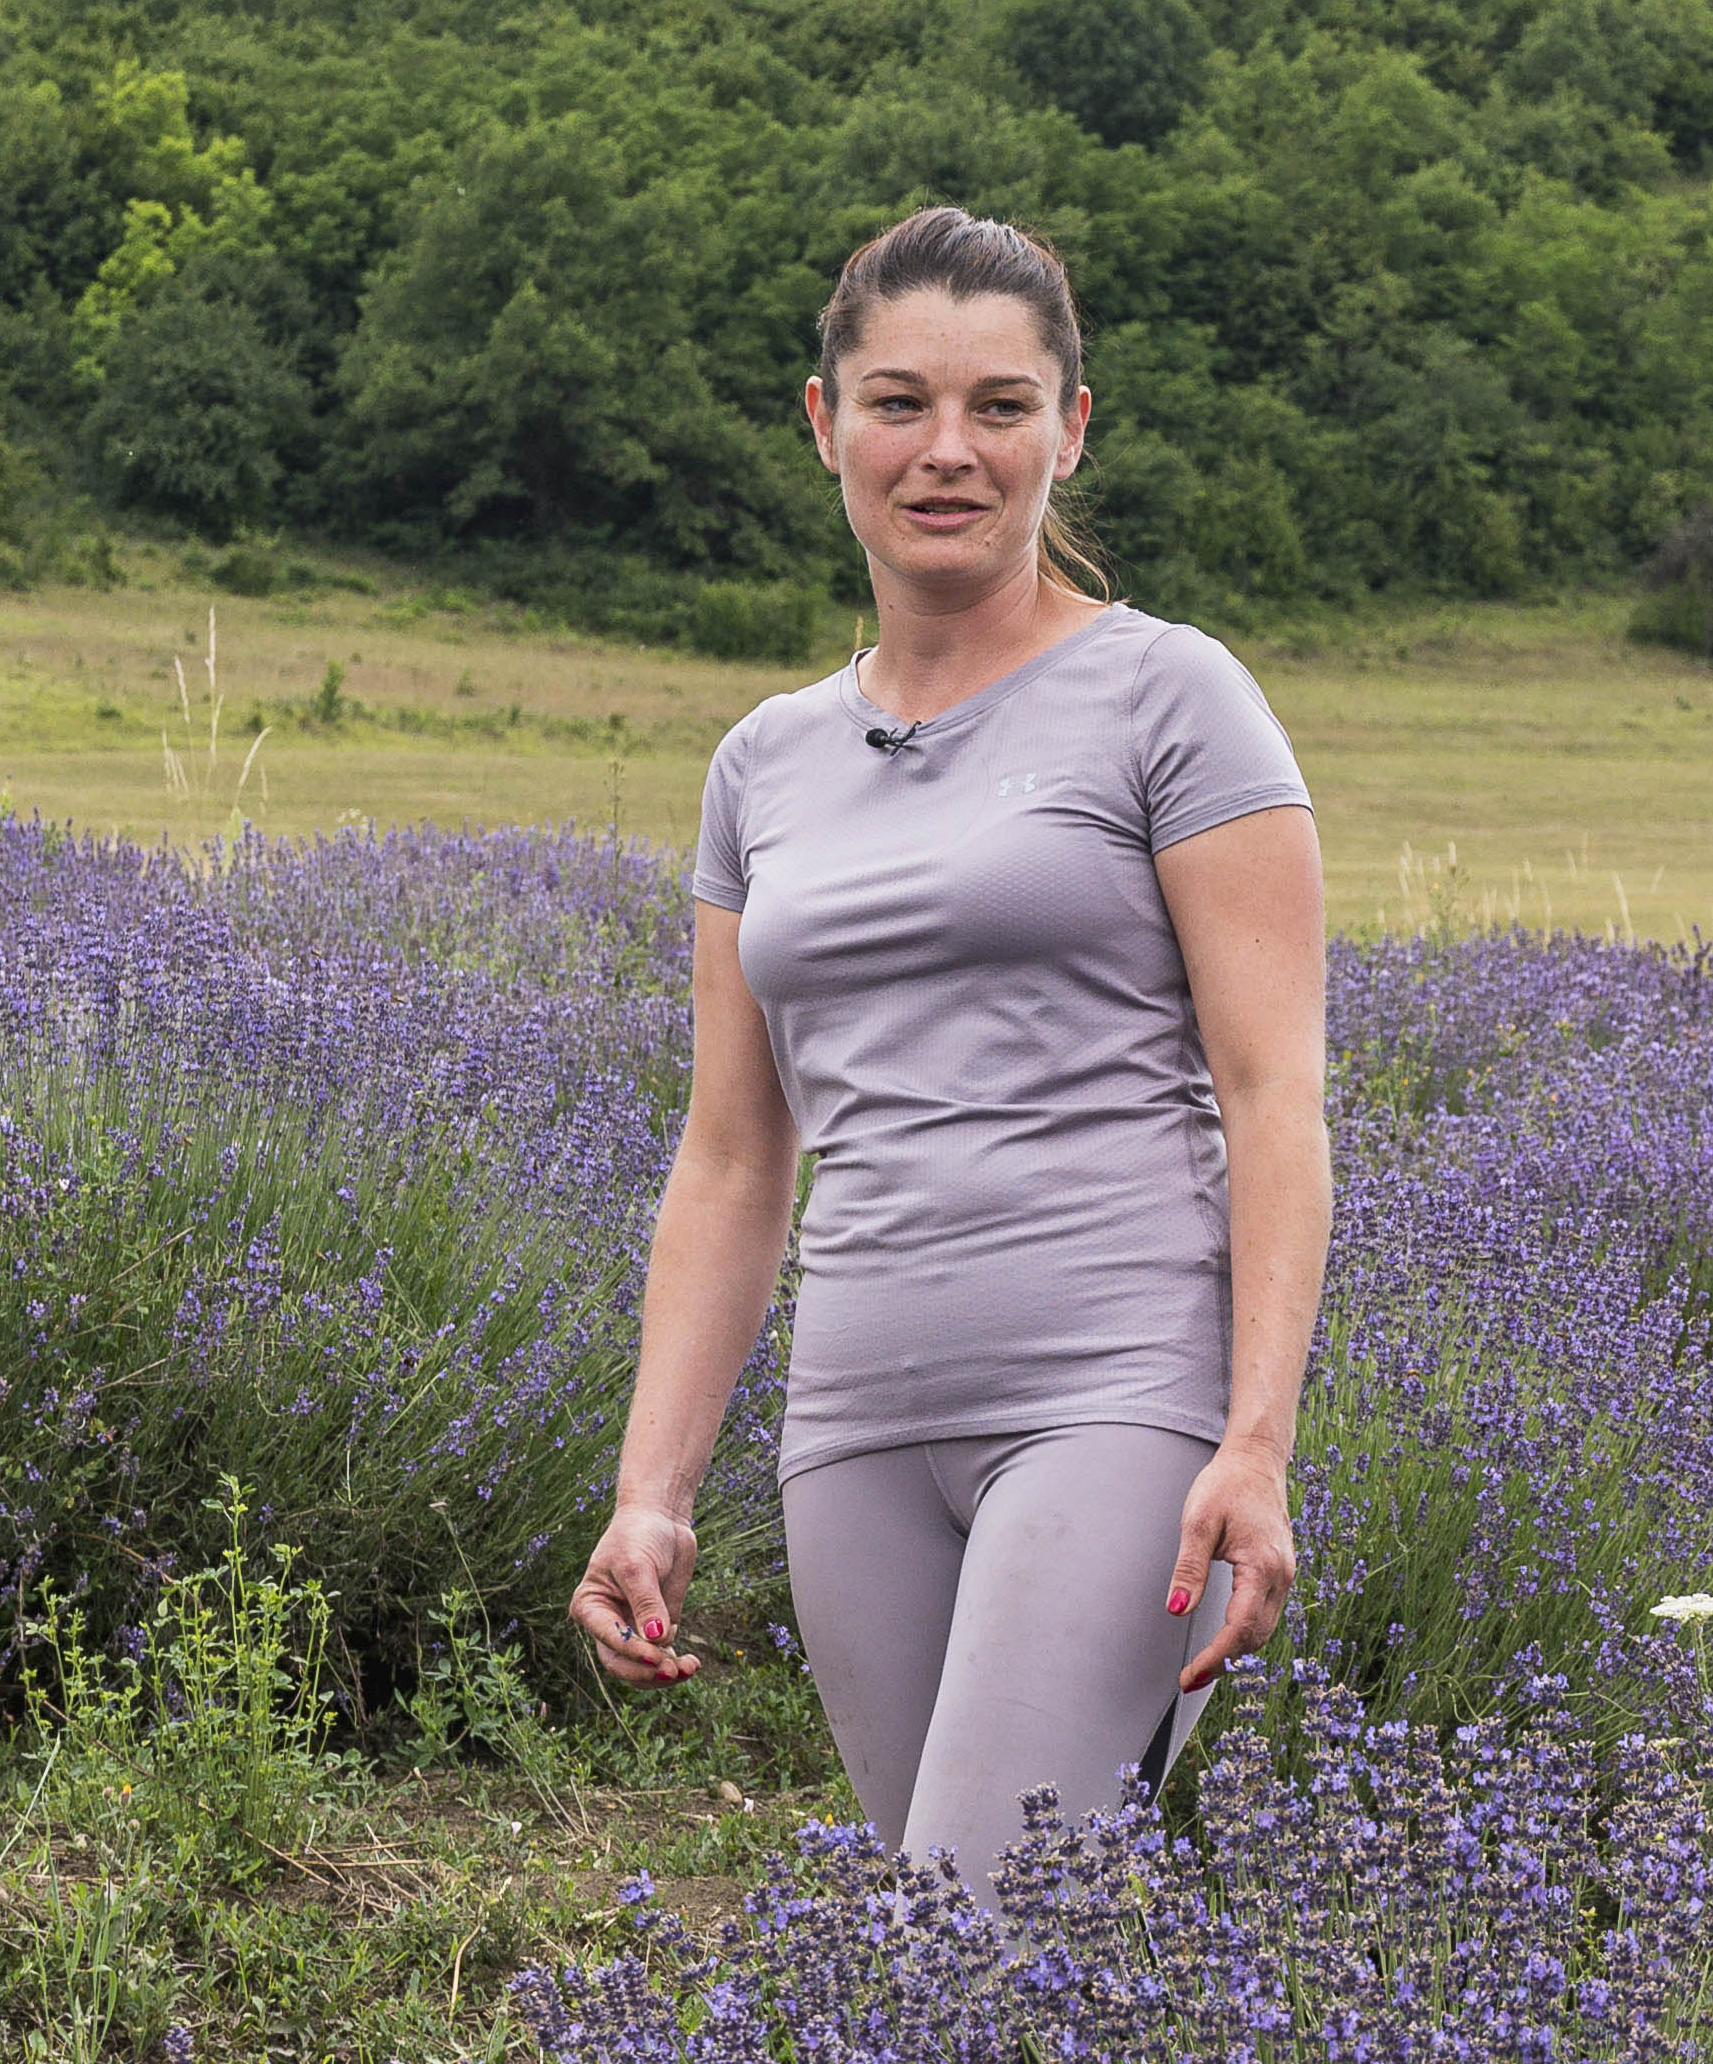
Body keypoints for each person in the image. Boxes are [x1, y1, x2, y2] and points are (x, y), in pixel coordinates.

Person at [570, 205, 1331, 1905]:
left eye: (1001, 407)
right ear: (823, 420)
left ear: (1073, 428)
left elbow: (1275, 1092)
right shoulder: (761, 763)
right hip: (853, 1427)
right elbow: (732, 1154)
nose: (948, 452)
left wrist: (1256, 1445)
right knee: (980, 1996)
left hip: (1115, 1397)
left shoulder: (1172, 697)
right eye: (900, 402)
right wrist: (651, 1493)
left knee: (970, 1952)